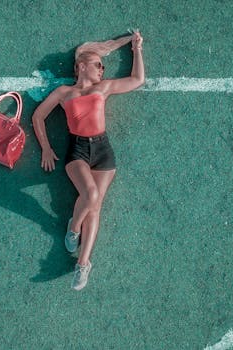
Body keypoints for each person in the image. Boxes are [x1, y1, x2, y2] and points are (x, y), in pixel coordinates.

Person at [31, 31, 145, 290]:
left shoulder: (102, 88)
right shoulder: (64, 92)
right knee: (91, 195)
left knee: (95, 206)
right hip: (78, 150)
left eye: (103, 67)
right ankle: (74, 227)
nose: (103, 70)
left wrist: (136, 48)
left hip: (104, 149)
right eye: (99, 65)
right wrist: (46, 149)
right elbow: (38, 117)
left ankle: (83, 264)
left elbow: (138, 79)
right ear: (82, 66)